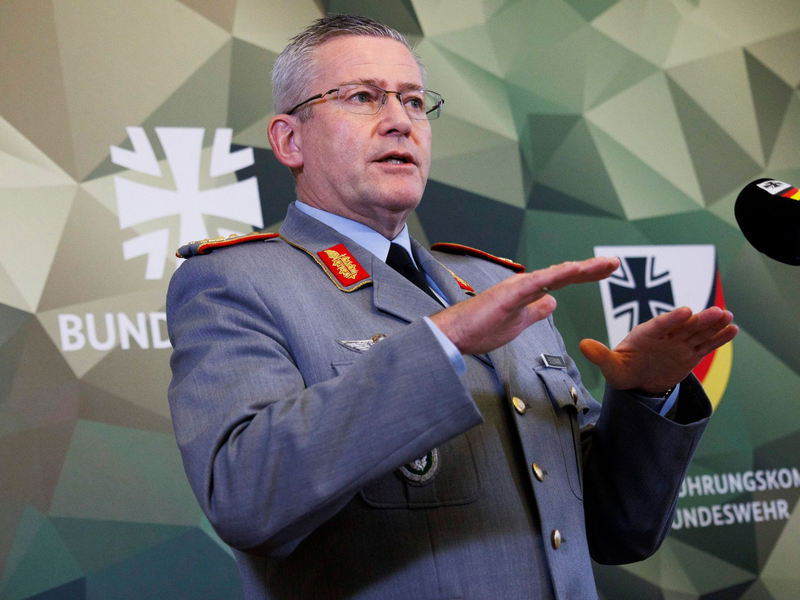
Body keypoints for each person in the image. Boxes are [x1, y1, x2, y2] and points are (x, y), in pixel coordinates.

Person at [166, 14, 738, 600]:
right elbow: (245, 498)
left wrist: (646, 394)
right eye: (362, 97)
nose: (399, 121)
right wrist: (441, 343)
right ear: (290, 140)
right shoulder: (236, 282)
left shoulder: (494, 283)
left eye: (414, 101)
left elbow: (617, 530)